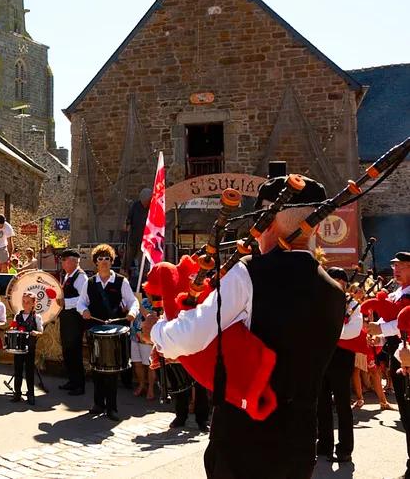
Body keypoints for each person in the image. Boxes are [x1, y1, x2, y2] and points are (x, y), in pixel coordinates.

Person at [145, 175, 344, 479]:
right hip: (300, 441)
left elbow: (186, 337)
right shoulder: (334, 291)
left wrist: (155, 331)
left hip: (243, 441)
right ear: (315, 224)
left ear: (266, 221)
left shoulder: (249, 273)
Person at [77, 244, 138, 421]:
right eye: (100, 259)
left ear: (112, 261)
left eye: (107, 259)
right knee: (96, 368)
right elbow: (81, 303)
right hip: (95, 330)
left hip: (115, 331)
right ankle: (98, 404)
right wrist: (84, 311)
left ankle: (112, 407)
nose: (103, 262)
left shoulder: (121, 281)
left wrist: (132, 312)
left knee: (111, 370)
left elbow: (132, 301)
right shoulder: (89, 283)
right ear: (95, 262)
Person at [368, 251, 410, 477]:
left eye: (402, 266)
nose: (396, 270)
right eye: (395, 266)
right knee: (406, 414)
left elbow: (405, 321)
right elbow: (388, 319)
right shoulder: (395, 294)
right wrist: (378, 335)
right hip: (398, 356)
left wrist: (381, 329)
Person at [317, 267, 359, 464]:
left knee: (343, 405)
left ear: (344, 284)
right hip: (322, 358)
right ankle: (324, 445)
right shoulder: (320, 303)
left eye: (338, 281)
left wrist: (329, 331)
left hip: (342, 359)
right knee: (322, 404)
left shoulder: (354, 305)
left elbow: (353, 330)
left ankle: (344, 449)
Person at [56, 248, 87, 396]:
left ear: (72, 261)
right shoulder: (68, 275)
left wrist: (65, 302)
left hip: (75, 318)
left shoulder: (81, 277)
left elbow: (84, 299)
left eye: (64, 260)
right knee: (67, 350)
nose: (62, 263)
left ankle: (79, 385)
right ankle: (72, 380)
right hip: (67, 317)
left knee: (74, 351)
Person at [12, 291, 43, 404]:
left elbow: (41, 331)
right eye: (23, 302)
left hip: (30, 347)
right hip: (19, 347)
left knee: (29, 371)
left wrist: (36, 333)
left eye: (28, 302)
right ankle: (17, 393)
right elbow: (13, 328)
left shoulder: (37, 317)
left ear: (34, 304)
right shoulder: (18, 315)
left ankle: (30, 394)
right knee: (18, 370)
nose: (25, 304)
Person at [124, 188, 151, 277]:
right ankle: (125, 273)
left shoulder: (152, 207)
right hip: (133, 237)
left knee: (143, 260)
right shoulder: (135, 206)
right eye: (145, 201)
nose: (146, 203)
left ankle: (143, 277)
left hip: (145, 240)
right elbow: (129, 217)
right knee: (128, 257)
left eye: (147, 201)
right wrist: (127, 225)